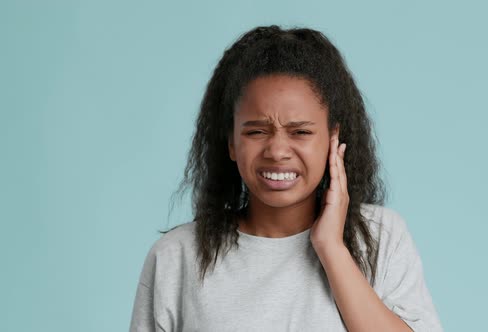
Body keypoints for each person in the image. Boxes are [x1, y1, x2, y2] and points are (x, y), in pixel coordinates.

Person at [129, 25, 443, 332]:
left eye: (301, 132)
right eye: (256, 131)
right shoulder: (176, 256)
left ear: (333, 138)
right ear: (231, 142)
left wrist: (331, 248)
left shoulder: (380, 238)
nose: (277, 150)